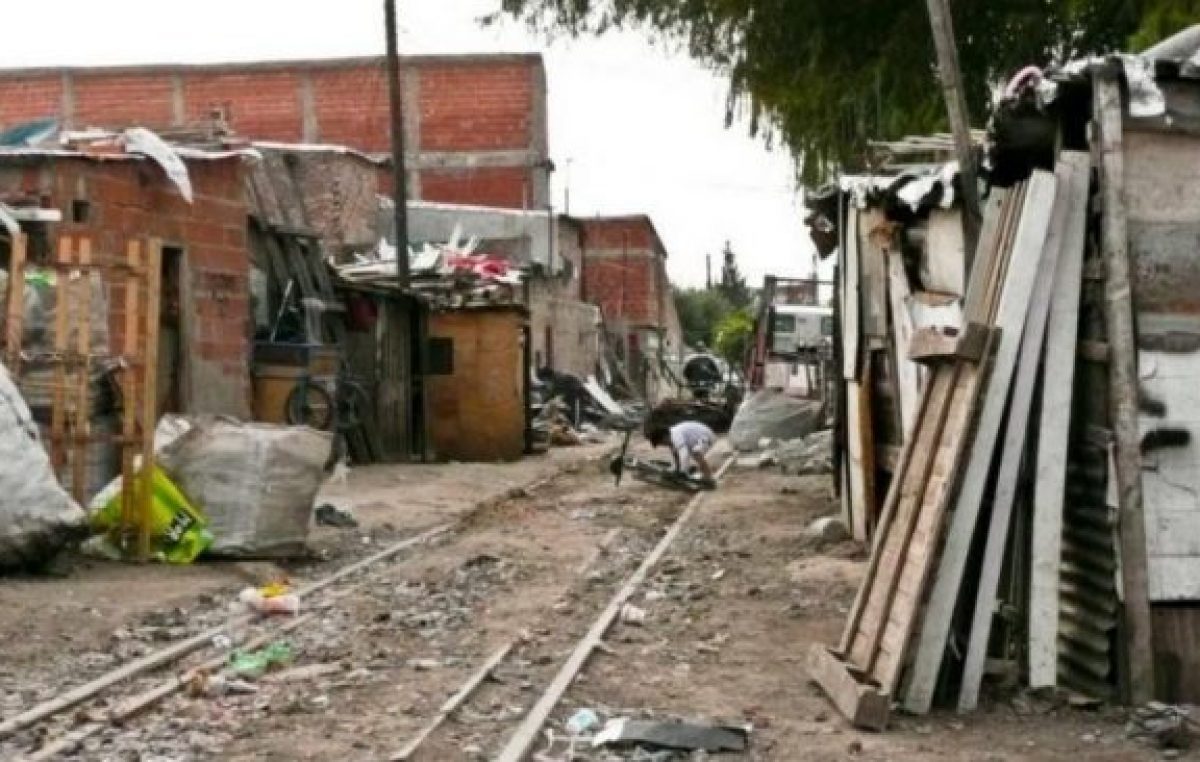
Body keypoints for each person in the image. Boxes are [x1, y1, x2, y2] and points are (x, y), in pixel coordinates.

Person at [648, 419, 716, 488]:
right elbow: (676, 455)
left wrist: (683, 471)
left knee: (696, 453)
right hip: (696, 439)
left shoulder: (675, 435)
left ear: (664, 437)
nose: (664, 445)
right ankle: (702, 475)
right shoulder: (672, 436)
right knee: (685, 452)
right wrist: (675, 469)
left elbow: (684, 454)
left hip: (706, 436)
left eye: (662, 443)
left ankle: (709, 479)